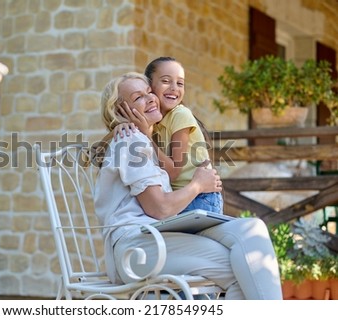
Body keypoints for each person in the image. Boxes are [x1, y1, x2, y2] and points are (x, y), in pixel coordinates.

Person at [94, 72, 283, 299]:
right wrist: (197, 185)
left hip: (159, 236)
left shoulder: (142, 139)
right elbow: (160, 208)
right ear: (121, 111)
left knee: (252, 228)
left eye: (149, 92)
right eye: (138, 98)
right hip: (137, 247)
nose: (151, 98)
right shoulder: (130, 140)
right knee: (246, 266)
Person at [116, 57, 223, 214]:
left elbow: (173, 172)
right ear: (150, 86)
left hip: (200, 199)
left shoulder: (180, 115)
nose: (174, 88)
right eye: (166, 81)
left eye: (180, 83)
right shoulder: (155, 121)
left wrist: (146, 135)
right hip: (182, 197)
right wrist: (122, 124)